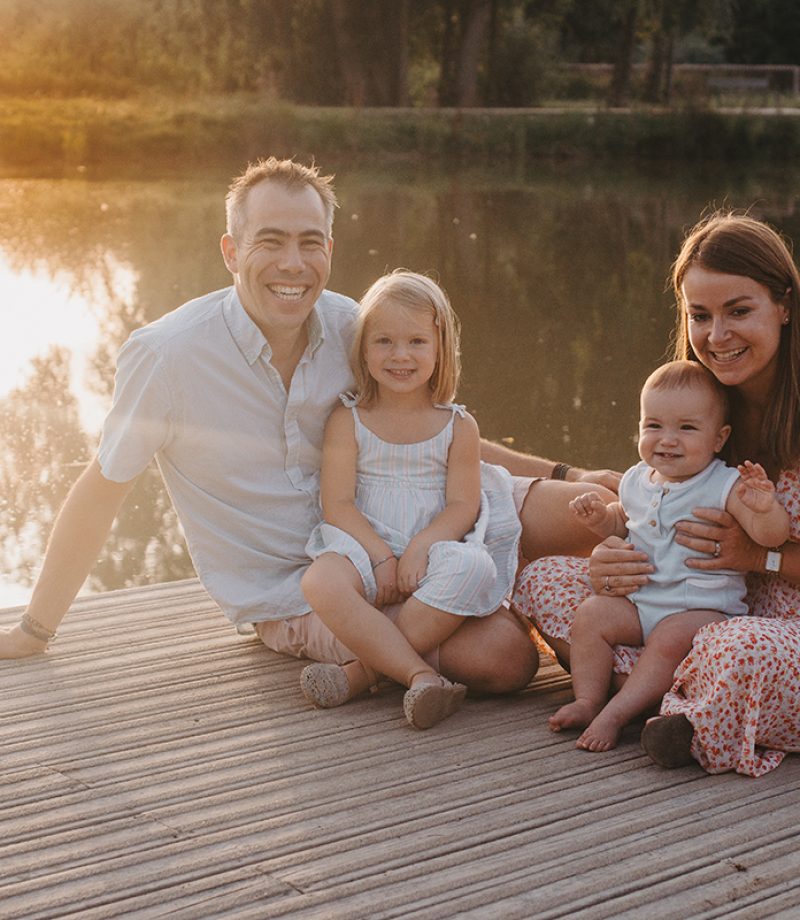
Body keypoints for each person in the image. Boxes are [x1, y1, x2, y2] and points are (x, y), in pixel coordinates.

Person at [1, 155, 606, 698]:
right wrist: (36, 627)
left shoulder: (353, 325)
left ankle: (660, 652)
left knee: (594, 506)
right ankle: (503, 607)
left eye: (310, 242)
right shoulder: (167, 357)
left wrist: (565, 470)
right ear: (231, 252)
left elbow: (440, 430)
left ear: (330, 251)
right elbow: (103, 487)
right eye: (271, 241)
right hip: (310, 586)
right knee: (504, 656)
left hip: (420, 514)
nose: (294, 264)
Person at [514, 210, 800, 776]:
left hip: (768, 633)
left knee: (737, 651)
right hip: (685, 605)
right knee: (545, 577)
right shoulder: (697, 409)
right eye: (700, 315)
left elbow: (755, 561)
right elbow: (644, 516)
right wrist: (613, 561)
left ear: (784, 305)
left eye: (739, 311)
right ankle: (676, 706)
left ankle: (677, 701)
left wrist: (758, 555)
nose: (717, 336)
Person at [300, 270, 521, 728]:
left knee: (474, 566)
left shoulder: (458, 425)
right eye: (384, 341)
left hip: (431, 543)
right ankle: (420, 674)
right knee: (319, 582)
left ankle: (362, 675)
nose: (400, 355)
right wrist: (380, 555)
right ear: (362, 348)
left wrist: (421, 546)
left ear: (440, 350)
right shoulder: (348, 419)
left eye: (417, 342)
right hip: (362, 543)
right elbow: (337, 505)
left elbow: (463, 505)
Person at [548, 360, 789, 751]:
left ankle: (617, 713)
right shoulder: (635, 480)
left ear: (718, 437)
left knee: (669, 638)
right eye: (653, 426)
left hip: (701, 608)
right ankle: (588, 700)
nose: (667, 440)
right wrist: (600, 522)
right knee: (592, 613)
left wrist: (764, 508)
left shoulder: (723, 483)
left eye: (687, 428)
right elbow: (623, 524)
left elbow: (771, 537)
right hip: (642, 601)